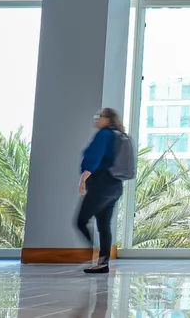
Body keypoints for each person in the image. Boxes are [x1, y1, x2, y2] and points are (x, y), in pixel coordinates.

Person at [76, 108, 126, 274]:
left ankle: (92, 253)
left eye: (100, 116)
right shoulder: (118, 136)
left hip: (101, 183)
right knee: (104, 225)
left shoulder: (104, 135)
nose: (96, 119)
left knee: (81, 220)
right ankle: (103, 263)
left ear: (108, 119)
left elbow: (94, 157)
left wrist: (83, 179)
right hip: (115, 185)